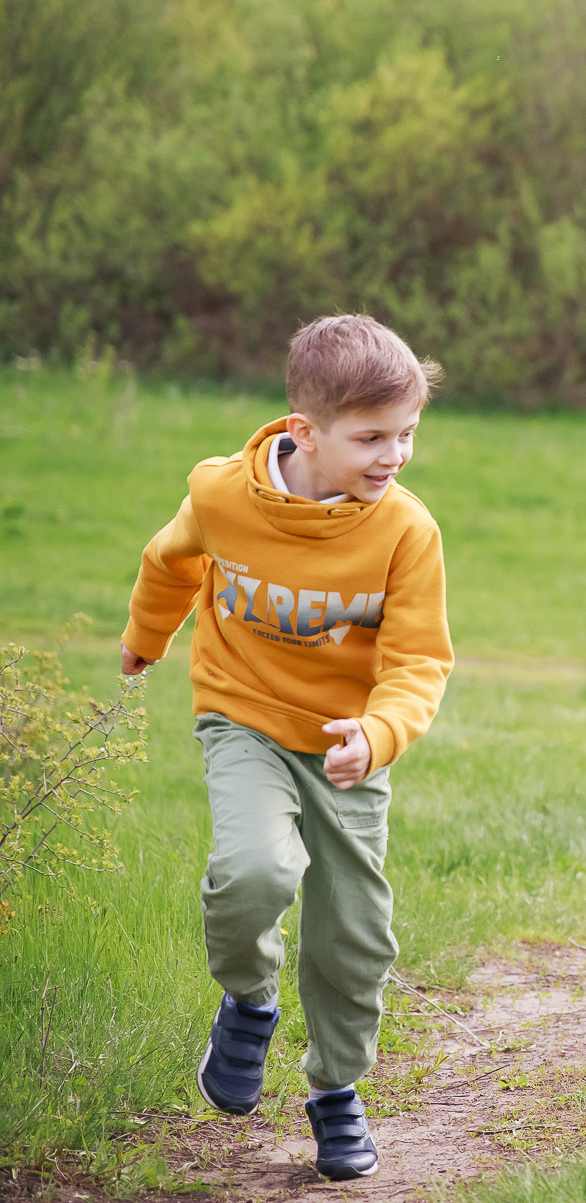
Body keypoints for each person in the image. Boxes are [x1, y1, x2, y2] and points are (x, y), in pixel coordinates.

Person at [120, 314, 453, 1178]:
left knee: (353, 931)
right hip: (244, 718)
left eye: (408, 433)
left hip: (348, 747)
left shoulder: (406, 532)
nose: (396, 456)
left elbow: (419, 661)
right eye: (372, 437)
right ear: (304, 431)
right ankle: (249, 1000)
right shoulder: (224, 494)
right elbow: (169, 561)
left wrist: (377, 735)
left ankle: (336, 1088)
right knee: (257, 870)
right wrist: (146, 637)